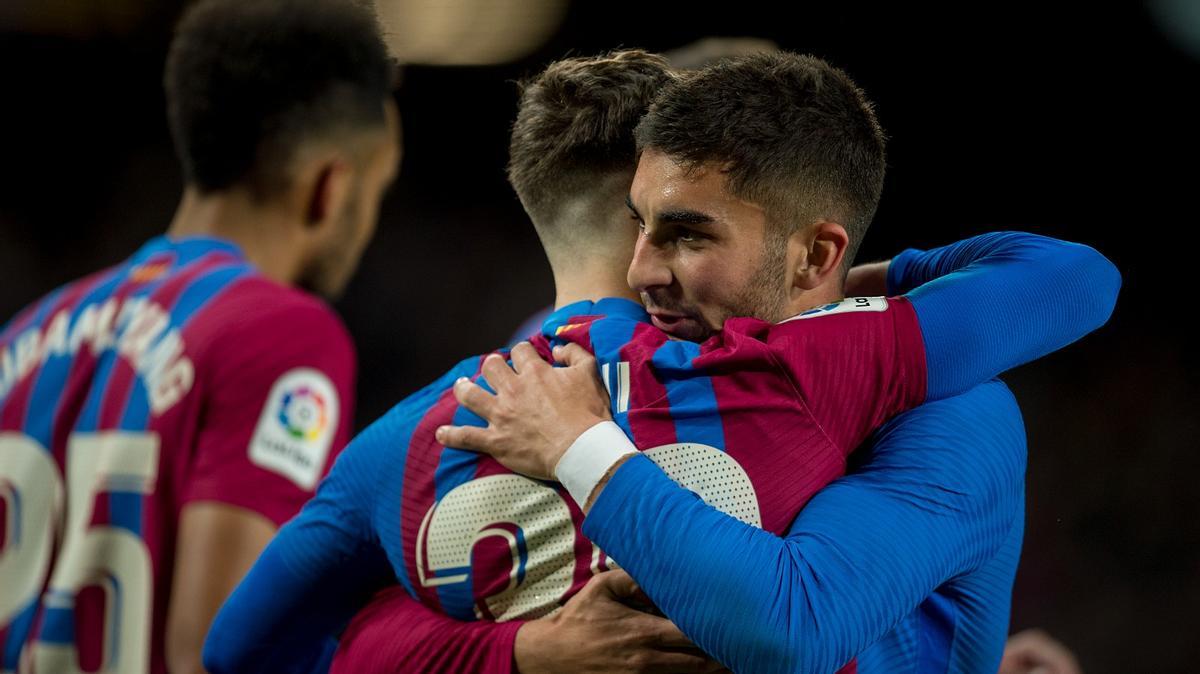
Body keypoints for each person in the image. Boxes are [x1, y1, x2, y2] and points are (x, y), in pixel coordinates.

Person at [209, 51, 1117, 674]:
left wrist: (517, 655)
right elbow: (794, 627)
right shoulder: (882, 388)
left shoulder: (445, 417)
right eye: (645, 226)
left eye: (684, 233)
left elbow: (244, 650)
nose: (648, 268)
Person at [0, 1, 398, 672]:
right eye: (377, 190)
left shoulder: (24, 336)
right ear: (330, 187)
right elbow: (221, 651)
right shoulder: (282, 334)